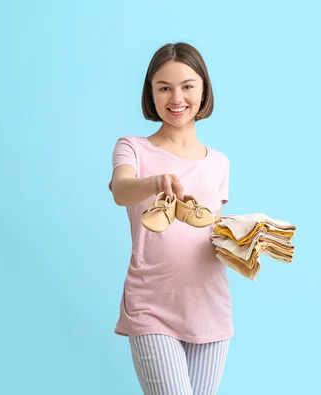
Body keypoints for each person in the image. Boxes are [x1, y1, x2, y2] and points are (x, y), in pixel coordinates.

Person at [109, 42, 232, 395]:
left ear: (204, 89)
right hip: (152, 308)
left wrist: (246, 241)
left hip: (210, 309)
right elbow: (121, 191)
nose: (176, 97)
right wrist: (156, 182)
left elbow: (213, 236)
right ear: (150, 93)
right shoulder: (132, 147)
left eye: (187, 86)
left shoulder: (219, 163)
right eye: (164, 87)